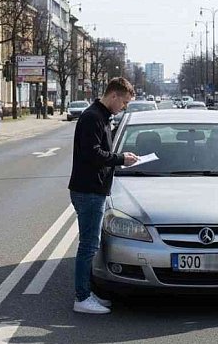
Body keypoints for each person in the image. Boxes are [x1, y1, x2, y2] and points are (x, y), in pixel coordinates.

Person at [68, 77, 139, 314]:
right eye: (125, 102)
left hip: (92, 188)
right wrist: (120, 159)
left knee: (90, 244)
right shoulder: (93, 118)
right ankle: (82, 297)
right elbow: (93, 154)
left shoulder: (101, 116)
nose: (124, 106)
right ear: (114, 96)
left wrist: (119, 155)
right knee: (88, 246)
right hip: (88, 190)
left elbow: (101, 151)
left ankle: (87, 291)